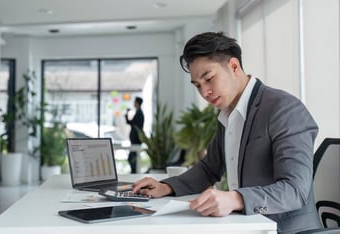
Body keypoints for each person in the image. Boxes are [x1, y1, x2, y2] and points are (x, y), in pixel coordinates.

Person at [132, 32, 321, 233]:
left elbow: (295, 190)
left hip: (284, 229)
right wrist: (166, 187)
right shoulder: (228, 113)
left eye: (209, 79)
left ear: (233, 66)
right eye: (198, 85)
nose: (205, 92)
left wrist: (235, 198)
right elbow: (209, 169)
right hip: (246, 225)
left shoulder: (284, 109)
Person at [125, 97, 144, 173]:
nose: (134, 103)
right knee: (132, 158)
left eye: (135, 102)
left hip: (136, 139)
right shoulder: (138, 112)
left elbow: (133, 124)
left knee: (132, 158)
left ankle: (134, 172)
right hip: (135, 140)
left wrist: (127, 115)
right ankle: (134, 171)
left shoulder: (139, 113)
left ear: (137, 103)